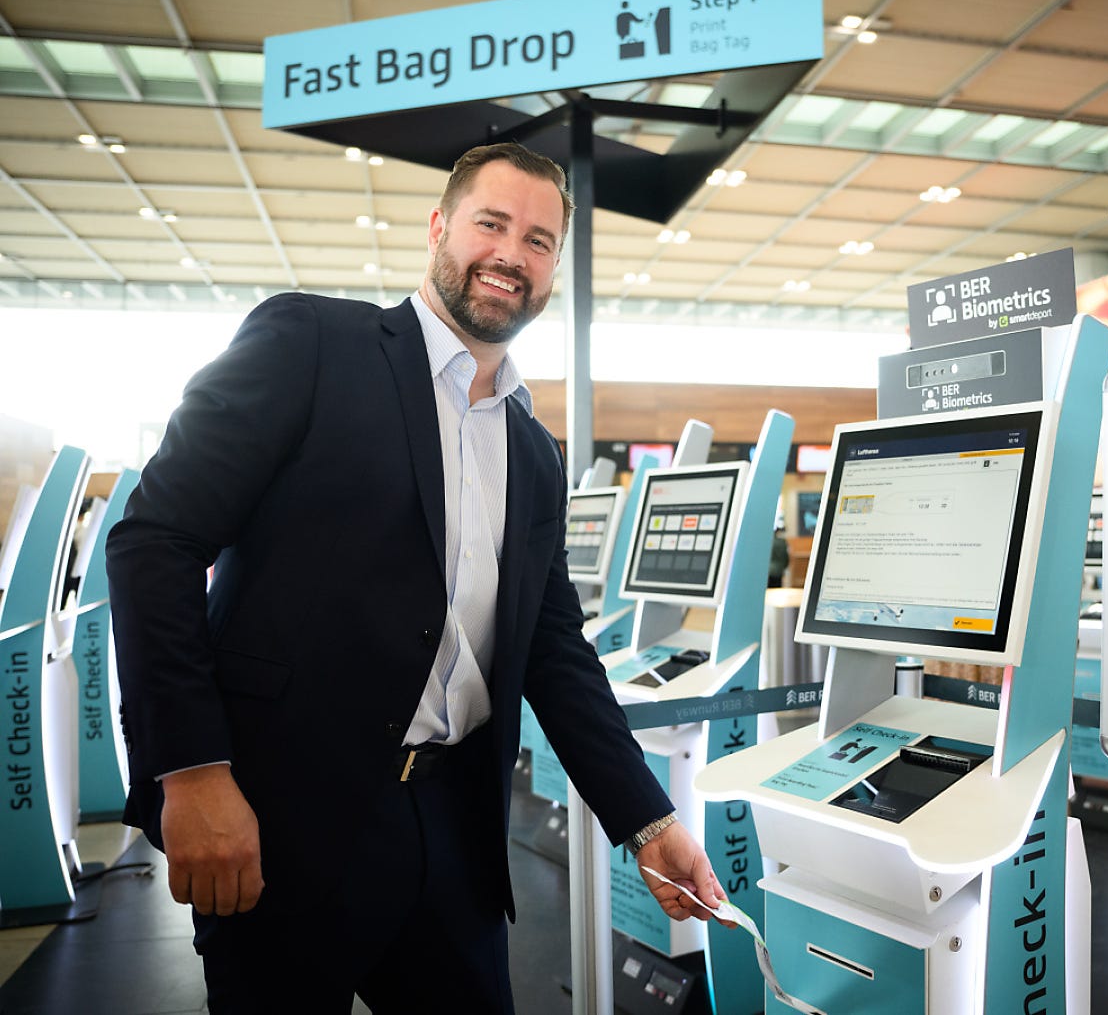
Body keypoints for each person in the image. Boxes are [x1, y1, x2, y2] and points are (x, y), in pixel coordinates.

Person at [107, 142, 726, 1014]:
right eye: (492, 223)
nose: (514, 253)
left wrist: (650, 823)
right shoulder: (311, 345)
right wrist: (193, 772)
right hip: (281, 821)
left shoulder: (531, 451)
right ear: (440, 227)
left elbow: (553, 650)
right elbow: (154, 542)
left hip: (453, 832)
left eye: (541, 241)